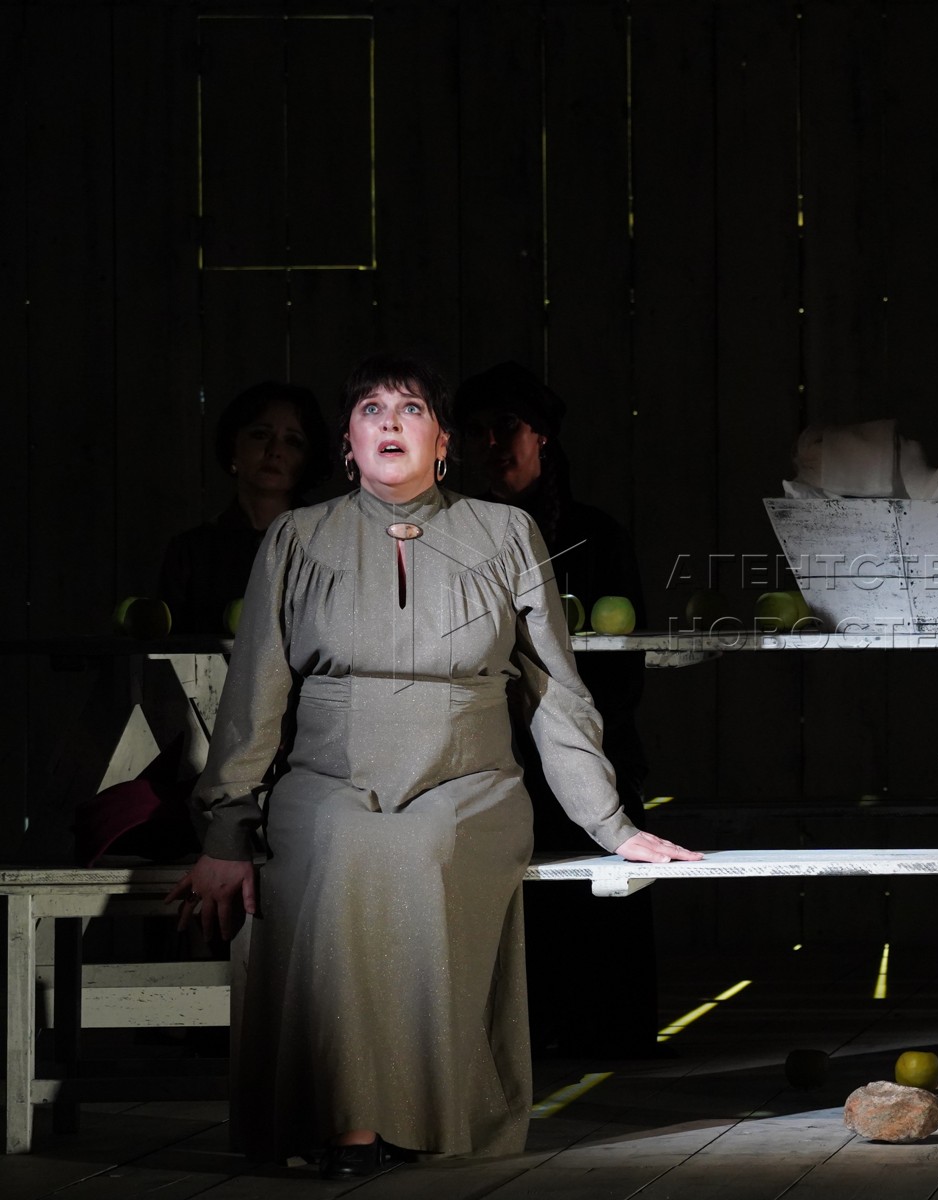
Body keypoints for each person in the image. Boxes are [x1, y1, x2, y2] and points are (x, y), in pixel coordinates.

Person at [165, 352, 700, 1176]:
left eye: (410, 408)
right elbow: (255, 693)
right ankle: (351, 1121)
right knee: (338, 849)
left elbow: (554, 692)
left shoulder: (505, 534)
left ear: (442, 442)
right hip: (330, 781)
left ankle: (421, 1111)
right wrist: (227, 829)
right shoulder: (297, 538)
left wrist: (610, 822)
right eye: (371, 409)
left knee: (424, 851)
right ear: (347, 443)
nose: (390, 421)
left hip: (466, 784)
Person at [457, 362, 658, 1057]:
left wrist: (571, 743)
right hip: (488, 752)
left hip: (588, 742)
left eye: (507, 427)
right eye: (477, 431)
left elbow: (623, 669)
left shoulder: (594, 536)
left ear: (541, 434)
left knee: (605, 858)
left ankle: (612, 1036)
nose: (492, 444)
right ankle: (524, 1039)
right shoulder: (456, 536)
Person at [158, 381, 330, 634]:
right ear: (233, 447)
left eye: (292, 441)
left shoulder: (328, 545)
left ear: (307, 459)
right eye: (260, 435)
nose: (275, 451)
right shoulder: (191, 552)